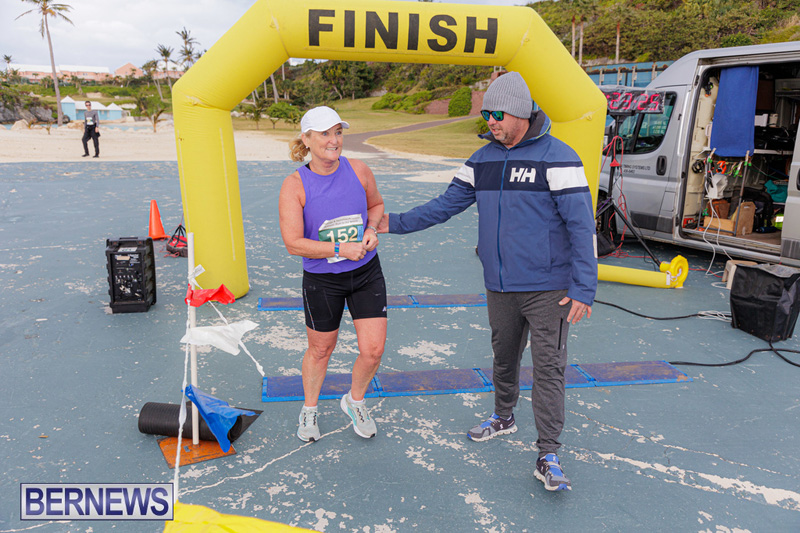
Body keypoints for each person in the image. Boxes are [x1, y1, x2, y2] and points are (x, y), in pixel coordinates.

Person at [377, 72, 597, 491]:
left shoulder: (559, 158)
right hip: (500, 285)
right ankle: (504, 416)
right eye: (486, 114)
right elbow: (445, 205)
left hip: (549, 288)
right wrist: (393, 223)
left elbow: (581, 226)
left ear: (520, 112)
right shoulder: (481, 160)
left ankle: (548, 453)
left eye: (497, 114)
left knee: (549, 368)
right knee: (503, 357)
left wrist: (583, 288)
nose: (491, 121)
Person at [279, 106, 388, 443]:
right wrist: (340, 249)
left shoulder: (359, 170)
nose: (334, 140)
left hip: (366, 272)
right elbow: (293, 243)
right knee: (321, 350)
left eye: (338, 132)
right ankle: (309, 409)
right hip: (322, 281)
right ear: (306, 139)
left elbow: (376, 206)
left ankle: (355, 401)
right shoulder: (294, 185)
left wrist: (371, 229)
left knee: (373, 351)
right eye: (325, 133)